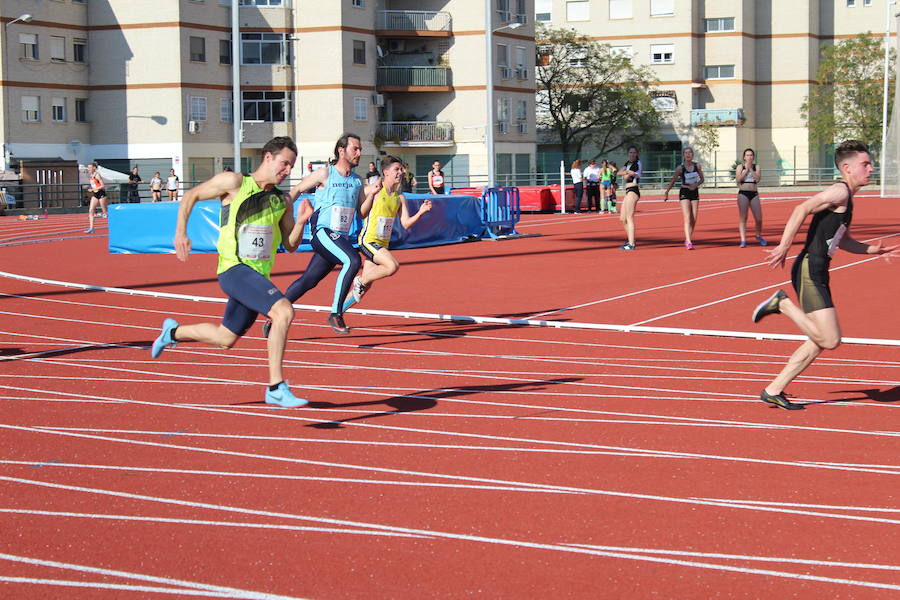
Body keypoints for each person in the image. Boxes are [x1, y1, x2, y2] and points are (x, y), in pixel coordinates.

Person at [150, 136, 314, 408]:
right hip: (234, 269)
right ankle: (276, 386)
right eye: (284, 163)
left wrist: (301, 222)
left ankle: (173, 333)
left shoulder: (282, 200)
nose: (287, 171)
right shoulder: (235, 183)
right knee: (283, 311)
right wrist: (180, 232)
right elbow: (191, 195)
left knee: (225, 338)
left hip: (257, 277)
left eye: (291, 166)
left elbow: (290, 245)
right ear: (268, 157)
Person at [751, 140, 897, 409]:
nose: (871, 168)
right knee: (829, 339)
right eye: (865, 164)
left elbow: (843, 240)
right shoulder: (839, 191)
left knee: (819, 339)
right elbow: (801, 209)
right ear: (847, 167)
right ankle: (781, 304)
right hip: (809, 268)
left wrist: (874, 250)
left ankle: (774, 389)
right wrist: (784, 246)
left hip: (818, 270)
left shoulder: (847, 198)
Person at [265, 132, 378, 336]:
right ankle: (335, 313)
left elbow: (362, 212)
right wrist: (281, 211)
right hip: (323, 233)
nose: (359, 153)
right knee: (353, 261)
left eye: (360, 149)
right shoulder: (325, 174)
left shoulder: (357, 181)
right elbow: (298, 188)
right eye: (355, 148)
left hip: (339, 239)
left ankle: (275, 311)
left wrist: (372, 195)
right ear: (341, 151)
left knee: (309, 280)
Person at [342, 155, 433, 312]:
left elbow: (405, 223)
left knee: (366, 287)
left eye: (401, 170)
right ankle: (360, 280)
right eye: (396, 170)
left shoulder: (400, 198)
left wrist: (421, 212)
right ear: (386, 172)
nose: (400, 173)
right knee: (392, 266)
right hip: (368, 241)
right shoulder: (375, 190)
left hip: (382, 244)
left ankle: (337, 311)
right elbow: (358, 205)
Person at [663, 146, 705, 249]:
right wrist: (667, 192)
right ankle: (689, 241)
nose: (688, 154)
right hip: (684, 192)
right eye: (686, 153)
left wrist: (696, 184)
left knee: (694, 218)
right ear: (683, 155)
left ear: (692, 154)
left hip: (694, 192)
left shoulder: (697, 166)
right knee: (687, 217)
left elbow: (702, 179)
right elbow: (673, 180)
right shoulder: (680, 168)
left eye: (690, 153)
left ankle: (688, 238)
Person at [736, 148, 766, 247]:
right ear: (744, 157)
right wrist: (746, 170)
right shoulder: (740, 167)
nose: (749, 157)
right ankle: (743, 240)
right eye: (747, 155)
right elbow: (738, 179)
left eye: (751, 155)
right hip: (743, 193)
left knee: (759, 218)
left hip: (754, 194)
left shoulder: (757, 167)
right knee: (743, 218)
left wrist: (751, 170)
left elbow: (757, 179)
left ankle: (758, 235)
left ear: (753, 157)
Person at [617, 147, 642, 250]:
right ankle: (631, 240)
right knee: (622, 218)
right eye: (630, 152)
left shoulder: (638, 163)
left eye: (634, 152)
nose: (632, 154)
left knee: (629, 217)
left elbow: (628, 176)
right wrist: (626, 172)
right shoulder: (628, 163)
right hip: (627, 192)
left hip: (633, 190)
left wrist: (626, 173)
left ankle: (631, 244)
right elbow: (619, 173)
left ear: (636, 154)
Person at [84, 162, 107, 233]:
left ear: (94, 168)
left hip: (101, 194)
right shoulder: (91, 175)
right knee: (91, 210)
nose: (88, 169)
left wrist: (93, 189)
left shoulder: (97, 175)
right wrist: (91, 188)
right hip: (95, 194)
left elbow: (103, 185)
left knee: (105, 213)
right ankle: (91, 228)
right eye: (88, 167)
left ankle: (116, 224)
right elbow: (95, 184)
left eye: (90, 167)